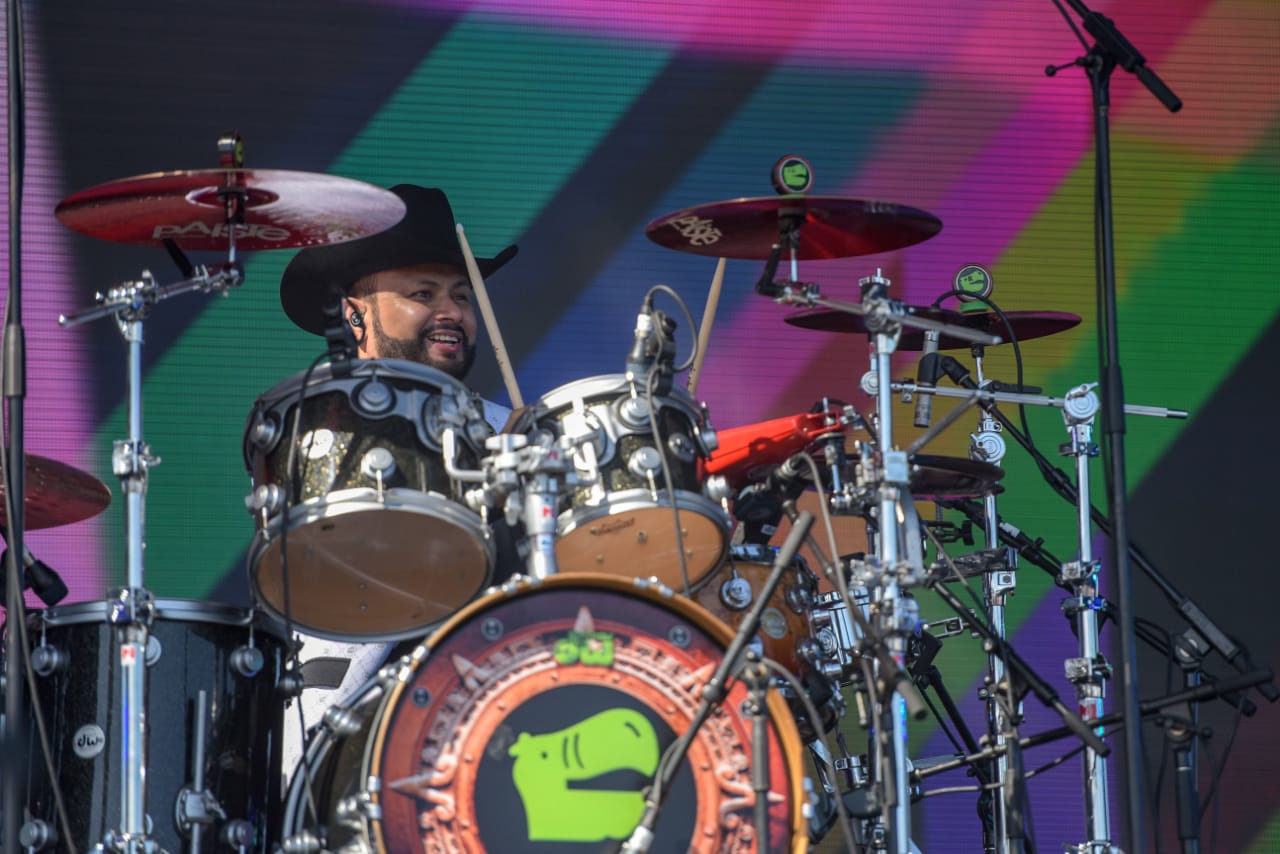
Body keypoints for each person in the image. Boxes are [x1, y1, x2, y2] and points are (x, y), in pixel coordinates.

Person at [274, 184, 520, 779]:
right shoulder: (317, 425)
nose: (451, 311)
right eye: (422, 293)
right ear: (354, 314)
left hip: (502, 700)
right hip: (348, 719)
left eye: (461, 295)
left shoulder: (516, 428)